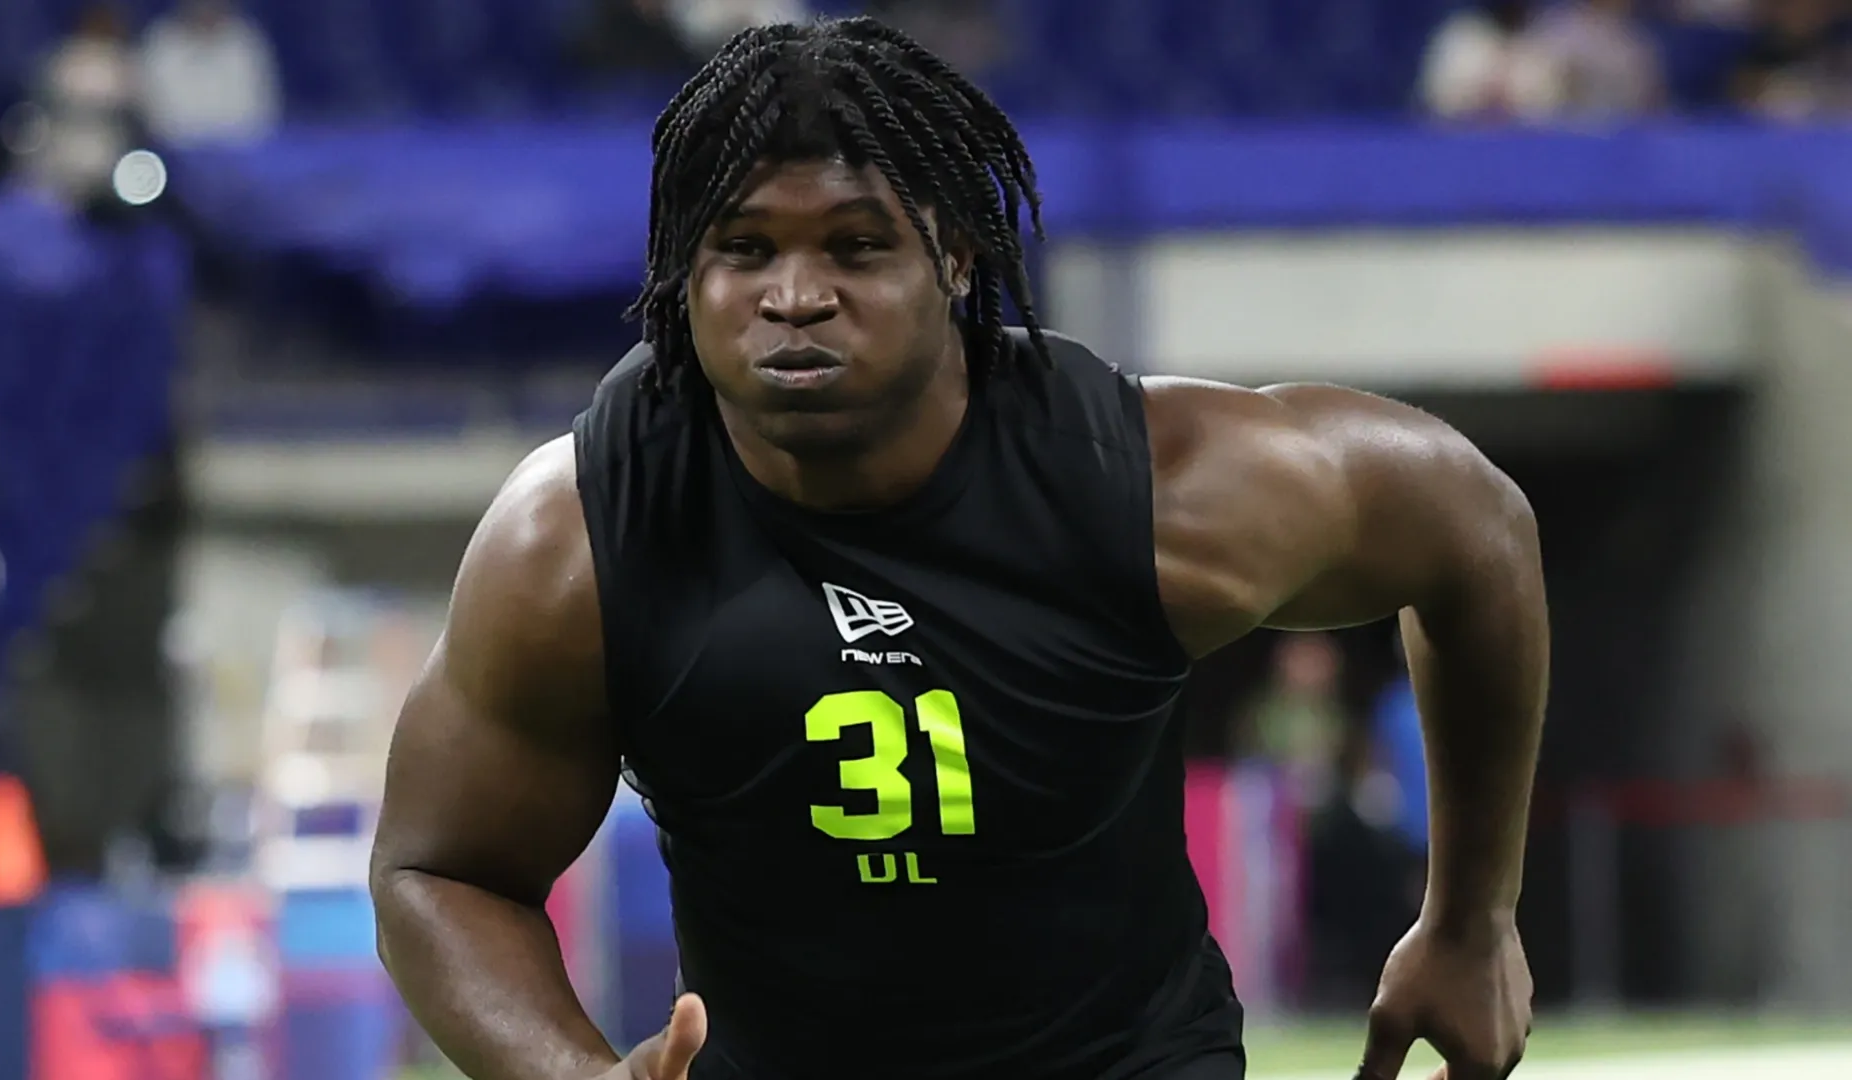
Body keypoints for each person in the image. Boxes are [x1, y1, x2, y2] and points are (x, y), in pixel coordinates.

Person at [369, 16, 1545, 1080]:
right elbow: (442, 872)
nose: (796, 295)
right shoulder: (579, 532)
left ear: (959, 258)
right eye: (744, 248)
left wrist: (1469, 918)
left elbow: (1477, 531)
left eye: (856, 246)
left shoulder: (1156, 489)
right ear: (686, 278)